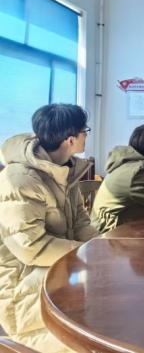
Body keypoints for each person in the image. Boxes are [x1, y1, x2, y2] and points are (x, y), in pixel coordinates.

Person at [0, 104, 98, 348]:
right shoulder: (19, 179)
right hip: (24, 290)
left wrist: (102, 247)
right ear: (71, 139)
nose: (86, 135)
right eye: (85, 131)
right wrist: (86, 253)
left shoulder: (65, 170)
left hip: (60, 273)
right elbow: (31, 248)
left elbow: (81, 222)